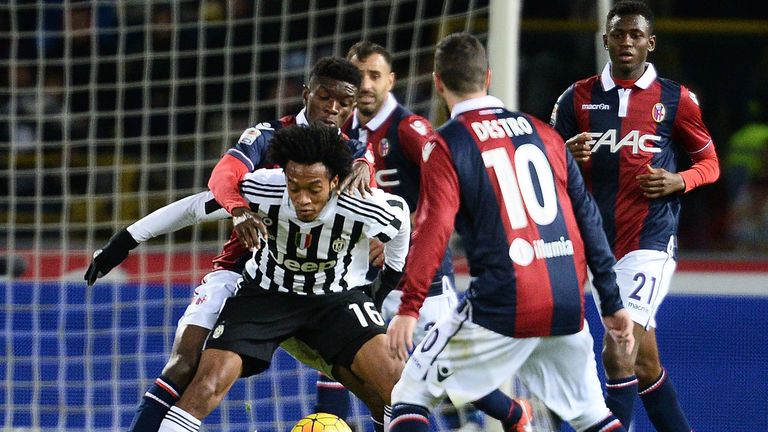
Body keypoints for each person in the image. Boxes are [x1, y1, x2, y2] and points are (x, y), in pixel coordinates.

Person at [85, 57, 377, 432]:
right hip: (246, 276)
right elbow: (212, 191)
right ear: (307, 94)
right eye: (324, 96)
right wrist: (124, 241)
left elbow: (377, 211)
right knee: (186, 364)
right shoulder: (268, 139)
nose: (332, 107)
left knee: (372, 381)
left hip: (318, 287)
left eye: (344, 102)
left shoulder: (354, 156)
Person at [387, 32, 634, 432]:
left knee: (409, 395)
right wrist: (611, 299)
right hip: (566, 300)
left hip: (505, 302)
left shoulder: (446, 144)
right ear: (488, 77)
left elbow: (433, 228)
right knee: (592, 415)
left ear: (438, 82)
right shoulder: (546, 133)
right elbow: (588, 215)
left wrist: (410, 307)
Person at [156, 124, 410, 432]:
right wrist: (128, 239)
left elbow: (401, 219)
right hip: (266, 293)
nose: (302, 199)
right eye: (294, 186)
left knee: (399, 390)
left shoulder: (363, 203)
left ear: (335, 181)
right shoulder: (264, 187)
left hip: (335, 299)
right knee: (206, 385)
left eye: (314, 189)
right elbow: (198, 205)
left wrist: (386, 283)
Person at [550, 2, 720, 430]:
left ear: (651, 42)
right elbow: (542, 165)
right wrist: (564, 156)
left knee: (618, 347)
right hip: (594, 242)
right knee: (644, 365)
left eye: (635, 35)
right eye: (619, 34)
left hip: (649, 240)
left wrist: (680, 181)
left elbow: (711, 162)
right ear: (605, 39)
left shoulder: (676, 99)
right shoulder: (576, 97)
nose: (627, 42)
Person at [310, 40, 486, 431]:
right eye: (359, 76)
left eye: (375, 75)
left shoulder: (410, 129)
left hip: (421, 284)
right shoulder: (339, 134)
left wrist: (395, 238)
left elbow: (444, 195)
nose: (366, 85)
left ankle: (501, 416)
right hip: (362, 280)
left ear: (391, 80)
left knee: (445, 385)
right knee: (359, 373)